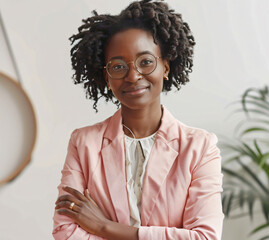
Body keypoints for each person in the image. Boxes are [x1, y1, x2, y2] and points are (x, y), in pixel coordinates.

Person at [53, 0, 224, 239]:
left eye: (145, 62)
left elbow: (205, 237)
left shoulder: (200, 147)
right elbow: (65, 232)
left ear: (165, 66)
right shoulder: (83, 143)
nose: (133, 76)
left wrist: (104, 227)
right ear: (106, 76)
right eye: (118, 66)